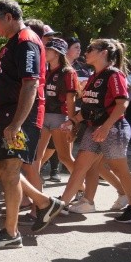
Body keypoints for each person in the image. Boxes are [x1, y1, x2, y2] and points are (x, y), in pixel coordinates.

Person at [0, 0, 65, 248]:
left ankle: (11, 233)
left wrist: (16, 124)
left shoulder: (26, 41)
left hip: (20, 118)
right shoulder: (12, 43)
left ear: (9, 16)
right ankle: (44, 202)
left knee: (10, 171)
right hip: (5, 117)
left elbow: (31, 83)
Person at [35, 38, 131, 229]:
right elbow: (89, 108)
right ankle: (60, 205)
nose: (85, 52)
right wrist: (73, 121)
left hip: (113, 129)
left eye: (90, 49)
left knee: (119, 169)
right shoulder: (95, 76)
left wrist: (106, 127)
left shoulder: (114, 75)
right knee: (80, 167)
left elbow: (122, 104)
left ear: (103, 53)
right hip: (92, 128)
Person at [28, 38, 78, 192]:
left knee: (65, 157)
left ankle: (82, 188)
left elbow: (71, 99)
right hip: (43, 116)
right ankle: (36, 192)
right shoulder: (44, 70)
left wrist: (72, 122)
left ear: (57, 53)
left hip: (60, 117)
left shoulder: (68, 72)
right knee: (36, 157)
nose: (44, 52)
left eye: (47, 49)